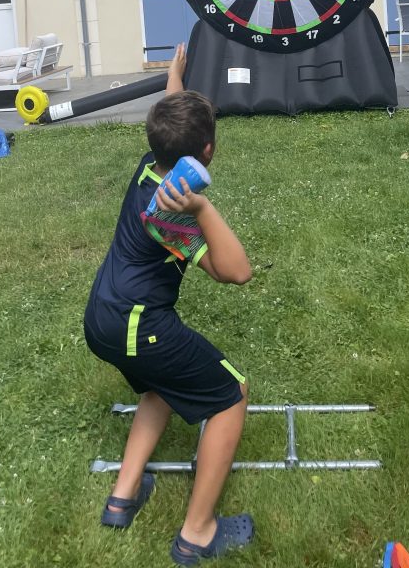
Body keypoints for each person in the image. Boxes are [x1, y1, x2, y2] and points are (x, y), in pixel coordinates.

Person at [83, 43, 255, 565]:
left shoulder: (149, 164)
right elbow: (237, 271)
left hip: (103, 317)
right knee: (230, 395)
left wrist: (175, 76)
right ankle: (196, 533)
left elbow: (171, 128)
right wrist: (202, 206)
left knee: (161, 385)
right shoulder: (173, 212)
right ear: (207, 154)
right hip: (139, 325)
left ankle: (123, 496)